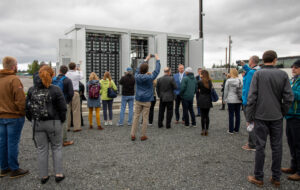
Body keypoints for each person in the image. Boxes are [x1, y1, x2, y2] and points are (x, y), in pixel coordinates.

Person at [246, 50, 294, 188]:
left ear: (263, 59)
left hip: (261, 116)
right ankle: (276, 177)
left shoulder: (258, 74)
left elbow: (252, 97)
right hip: (276, 116)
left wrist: (249, 116)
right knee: (277, 147)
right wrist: (282, 111)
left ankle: (259, 177)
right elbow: (289, 97)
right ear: (275, 60)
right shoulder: (283, 74)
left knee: (260, 146)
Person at [26, 66, 67, 184]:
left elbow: (27, 109)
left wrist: (32, 120)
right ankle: (58, 174)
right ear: (51, 75)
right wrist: (61, 121)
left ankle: (44, 176)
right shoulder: (55, 89)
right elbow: (63, 108)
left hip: (37, 123)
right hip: (54, 122)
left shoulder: (31, 90)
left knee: (41, 149)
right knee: (57, 147)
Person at [0, 56, 29, 178]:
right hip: (13, 116)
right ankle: (14, 169)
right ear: (13, 66)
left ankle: (4, 168)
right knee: (12, 143)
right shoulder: (14, 80)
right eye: (16, 65)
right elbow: (20, 100)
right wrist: (22, 112)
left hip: (1, 116)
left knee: (2, 142)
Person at [131, 54, 161, 141]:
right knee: (145, 118)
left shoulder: (137, 76)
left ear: (140, 69)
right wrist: (157, 59)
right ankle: (143, 135)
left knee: (136, 116)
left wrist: (145, 60)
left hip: (138, 98)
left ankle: (133, 134)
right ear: (147, 70)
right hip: (147, 99)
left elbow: (137, 69)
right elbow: (157, 70)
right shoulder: (150, 77)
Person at [281, 60, 300, 181]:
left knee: (298, 144)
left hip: (298, 116)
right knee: (291, 143)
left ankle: (299, 171)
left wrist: (288, 89)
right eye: (292, 67)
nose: (293, 69)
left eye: (296, 67)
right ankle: (293, 166)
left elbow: (297, 95)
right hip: (290, 115)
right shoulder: (294, 80)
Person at [240, 56, 261, 151]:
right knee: (254, 122)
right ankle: (254, 141)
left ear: (251, 62)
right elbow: (250, 70)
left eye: (249, 62)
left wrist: (246, 101)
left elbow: (248, 89)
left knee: (250, 122)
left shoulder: (251, 73)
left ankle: (252, 144)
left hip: (248, 101)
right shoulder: (258, 70)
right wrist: (245, 66)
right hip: (256, 101)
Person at [52, 65, 74, 147]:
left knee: (54, 120)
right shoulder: (67, 80)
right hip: (63, 103)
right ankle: (64, 140)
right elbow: (71, 93)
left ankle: (54, 139)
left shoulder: (53, 79)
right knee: (63, 121)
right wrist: (67, 101)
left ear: (59, 71)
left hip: (53, 103)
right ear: (66, 72)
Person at [224, 68, 242, 134]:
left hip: (231, 100)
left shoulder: (228, 81)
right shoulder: (240, 80)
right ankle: (236, 129)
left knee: (231, 115)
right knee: (238, 115)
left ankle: (231, 130)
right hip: (239, 99)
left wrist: (224, 99)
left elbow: (226, 91)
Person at [66, 62, 83, 132]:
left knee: (68, 110)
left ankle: (67, 127)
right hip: (75, 92)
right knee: (76, 110)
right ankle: (76, 127)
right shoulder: (77, 74)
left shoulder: (67, 74)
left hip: (67, 93)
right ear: (75, 67)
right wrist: (80, 70)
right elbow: (82, 77)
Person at [197, 70, 213, 136]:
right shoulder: (210, 82)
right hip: (208, 99)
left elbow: (197, 90)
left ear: (202, 75)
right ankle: (207, 130)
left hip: (201, 99)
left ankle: (203, 129)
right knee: (207, 116)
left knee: (202, 116)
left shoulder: (200, 82)